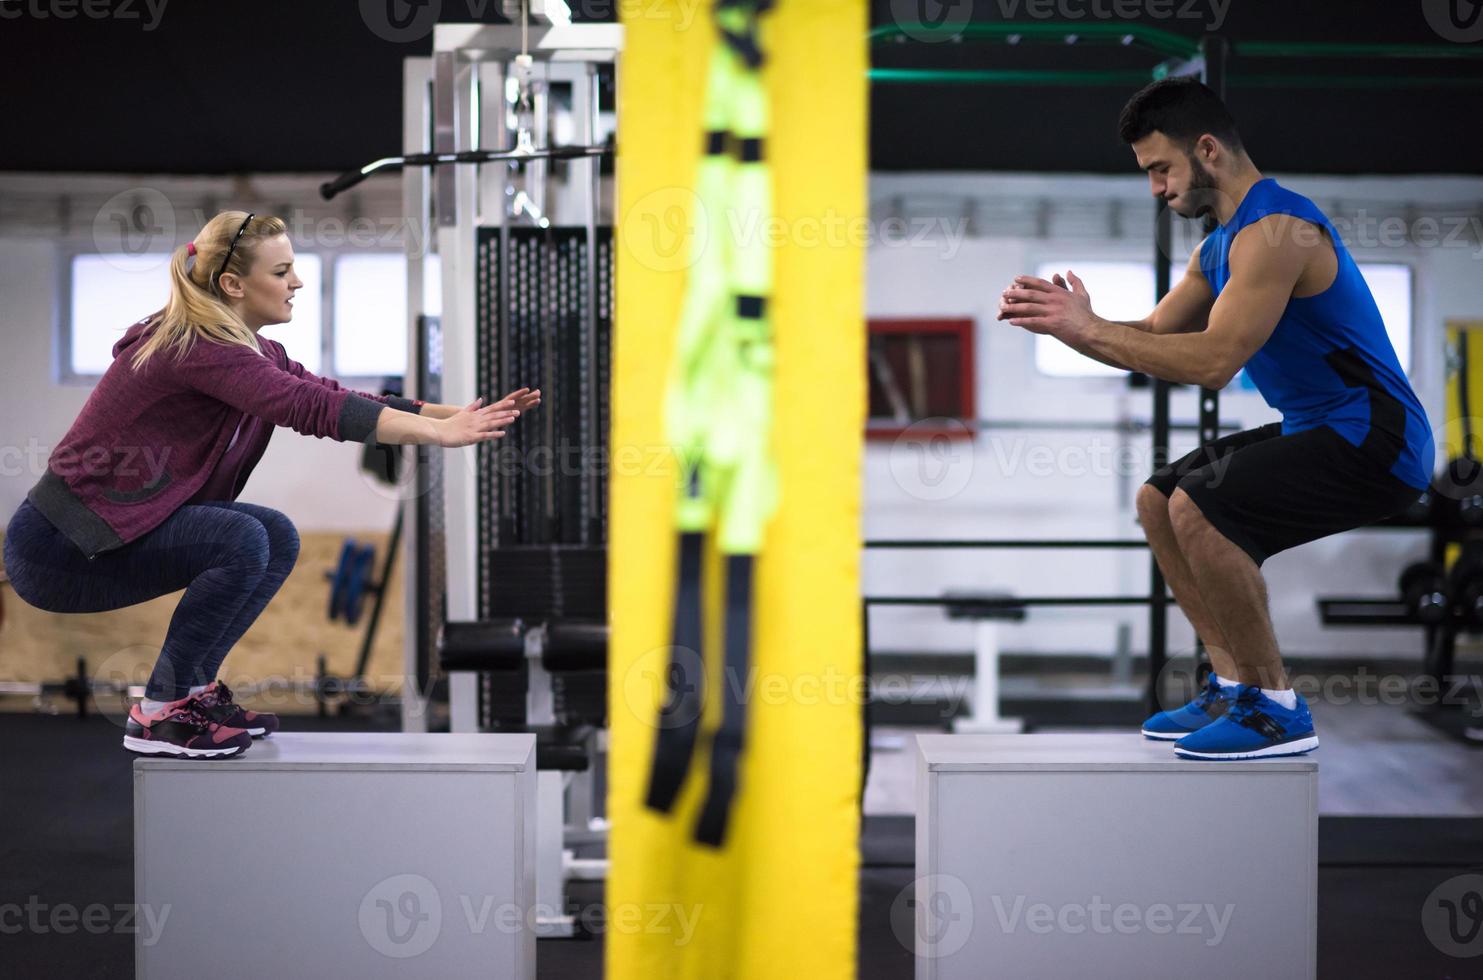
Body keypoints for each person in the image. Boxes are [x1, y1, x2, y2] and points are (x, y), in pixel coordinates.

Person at [997, 79, 1432, 760]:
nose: (1156, 189)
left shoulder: (1279, 231)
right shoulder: (1217, 248)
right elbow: (1148, 333)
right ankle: (1231, 683)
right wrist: (1073, 329)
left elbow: (1211, 361)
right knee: (1158, 498)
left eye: (1160, 170)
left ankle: (1274, 707)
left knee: (1202, 506)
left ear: (1207, 150)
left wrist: (1087, 330)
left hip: (1379, 437)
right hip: (1318, 427)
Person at [3, 211, 540, 758]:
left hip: (93, 538)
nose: (298, 283)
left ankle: (191, 695)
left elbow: (327, 391)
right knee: (241, 540)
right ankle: (161, 711)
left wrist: (460, 414)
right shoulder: (194, 347)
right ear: (234, 284)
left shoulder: (250, 351)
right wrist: (441, 435)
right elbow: (311, 408)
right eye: (282, 271)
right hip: (59, 550)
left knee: (274, 534)